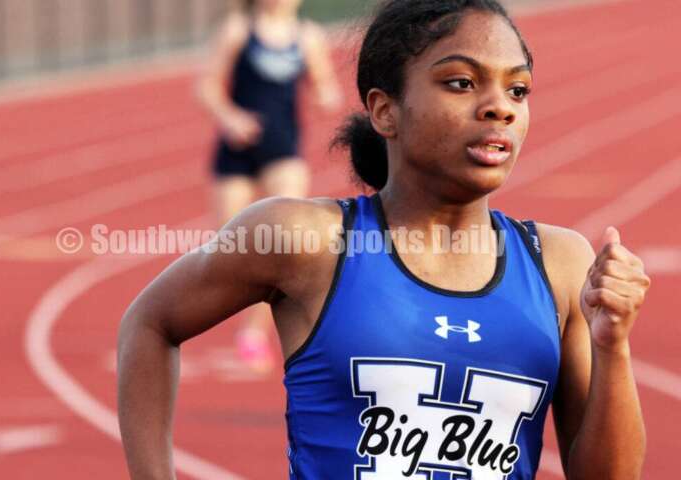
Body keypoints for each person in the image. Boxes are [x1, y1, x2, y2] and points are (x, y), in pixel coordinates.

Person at [119, 0, 650, 478]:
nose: (500, 108)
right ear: (383, 110)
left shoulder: (558, 265)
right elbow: (151, 322)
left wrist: (613, 346)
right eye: (462, 83)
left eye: (518, 89)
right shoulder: (309, 242)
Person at [196, 0, 342, 372]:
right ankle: (208, 317)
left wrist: (327, 96)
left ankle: (253, 335)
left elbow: (325, 87)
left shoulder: (307, 36)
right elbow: (208, 86)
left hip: (282, 150)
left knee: (279, 244)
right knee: (229, 246)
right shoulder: (238, 30)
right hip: (237, 151)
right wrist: (231, 118)